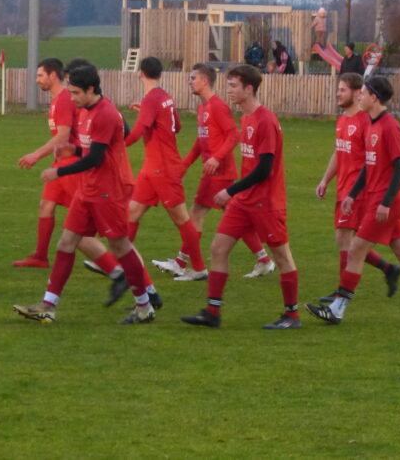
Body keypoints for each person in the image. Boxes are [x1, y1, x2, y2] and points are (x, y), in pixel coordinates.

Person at [13, 64, 159, 325]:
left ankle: (144, 305)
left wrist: (59, 172)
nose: (72, 97)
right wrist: (73, 151)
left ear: (92, 89)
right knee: (66, 243)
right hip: (87, 190)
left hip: (108, 192)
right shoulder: (83, 111)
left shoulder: (105, 113)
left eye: (76, 92)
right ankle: (48, 306)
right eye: (70, 92)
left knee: (120, 246)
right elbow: (89, 151)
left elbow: (96, 157)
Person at [306, 76, 400, 327]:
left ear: (374, 97)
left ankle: (337, 309)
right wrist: (352, 194)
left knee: (356, 249)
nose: (359, 96)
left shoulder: (389, 127)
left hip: (384, 202)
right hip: (375, 198)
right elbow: (367, 169)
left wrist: (386, 202)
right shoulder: (371, 124)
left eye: (364, 93)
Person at [180, 64, 302, 330]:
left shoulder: (265, 120)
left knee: (282, 257)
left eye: (233, 86)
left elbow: (265, 168)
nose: (229, 90)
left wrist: (230, 190)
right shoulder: (246, 119)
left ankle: (292, 315)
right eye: (228, 85)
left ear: (249, 89)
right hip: (244, 201)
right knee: (218, 249)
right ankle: (212, 312)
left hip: (267, 202)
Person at [158, 63, 275, 281]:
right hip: (211, 172)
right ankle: (264, 260)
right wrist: (184, 166)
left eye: (193, 78)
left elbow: (234, 135)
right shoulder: (203, 108)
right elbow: (200, 142)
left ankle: (184, 263)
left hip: (221, 173)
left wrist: (216, 157)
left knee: (197, 216)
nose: (189, 81)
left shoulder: (217, 106)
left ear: (204, 80)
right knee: (234, 218)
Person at [314, 73, 400, 303]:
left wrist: (358, 190)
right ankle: (388, 269)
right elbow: (339, 151)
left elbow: (375, 159)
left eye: (343, 90)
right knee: (350, 242)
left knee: (346, 239)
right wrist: (325, 180)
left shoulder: (366, 121)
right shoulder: (343, 120)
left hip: (359, 190)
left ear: (356, 93)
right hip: (344, 188)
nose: (338, 93)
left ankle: (342, 293)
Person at [122, 57, 194, 301]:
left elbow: (139, 130)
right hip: (153, 167)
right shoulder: (164, 96)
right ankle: (120, 262)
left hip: (164, 167)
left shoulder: (151, 99)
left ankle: (200, 268)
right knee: (132, 213)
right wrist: (146, 113)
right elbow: (178, 127)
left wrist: (117, 146)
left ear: (140, 73)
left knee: (182, 219)